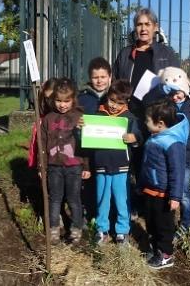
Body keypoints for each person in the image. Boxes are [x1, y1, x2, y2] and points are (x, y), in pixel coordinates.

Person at [144, 66, 190, 234]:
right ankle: (167, 217)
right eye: (171, 93)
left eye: (178, 92)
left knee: (183, 191)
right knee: (168, 188)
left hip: (186, 157)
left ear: (185, 87)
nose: (175, 97)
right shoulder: (166, 106)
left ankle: (186, 222)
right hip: (165, 157)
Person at [81, 80, 143, 245]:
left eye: (119, 102)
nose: (114, 105)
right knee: (102, 199)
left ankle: (122, 231)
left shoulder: (130, 119)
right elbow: (87, 137)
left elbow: (139, 138)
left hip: (122, 168)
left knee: (122, 200)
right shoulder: (97, 116)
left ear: (126, 102)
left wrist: (133, 138)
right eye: (112, 100)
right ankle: (102, 230)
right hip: (101, 166)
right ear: (107, 97)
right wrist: (83, 128)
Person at [139, 99, 188, 269]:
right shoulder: (155, 137)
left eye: (147, 120)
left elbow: (177, 172)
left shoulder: (173, 143)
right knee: (151, 222)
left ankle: (166, 255)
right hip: (151, 190)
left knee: (164, 225)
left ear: (159, 124)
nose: (145, 123)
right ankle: (155, 248)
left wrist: (175, 196)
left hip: (164, 194)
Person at [41, 78, 91, 244]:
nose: (62, 105)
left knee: (74, 199)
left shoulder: (80, 117)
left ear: (73, 100)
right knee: (55, 199)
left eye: (66, 101)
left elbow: (85, 143)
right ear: (53, 99)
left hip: (74, 166)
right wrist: (42, 166)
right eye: (58, 101)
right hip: (54, 166)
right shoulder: (48, 119)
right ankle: (53, 229)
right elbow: (42, 144)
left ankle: (76, 229)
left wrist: (86, 165)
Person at [112, 7, 180, 118]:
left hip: (158, 115)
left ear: (155, 27)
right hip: (129, 114)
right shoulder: (125, 54)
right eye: (139, 24)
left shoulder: (167, 53)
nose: (143, 28)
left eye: (147, 24)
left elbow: (178, 82)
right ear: (135, 28)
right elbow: (114, 82)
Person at [77, 57, 112, 222]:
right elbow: (74, 117)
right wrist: (77, 122)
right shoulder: (82, 98)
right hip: (89, 150)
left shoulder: (115, 96)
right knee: (88, 181)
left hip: (109, 150)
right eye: (95, 77)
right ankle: (88, 212)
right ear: (90, 78)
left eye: (103, 77)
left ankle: (106, 214)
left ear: (110, 77)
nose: (99, 81)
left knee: (107, 182)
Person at [27, 77, 58, 169]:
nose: (50, 102)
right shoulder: (42, 119)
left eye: (52, 98)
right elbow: (36, 146)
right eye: (47, 98)